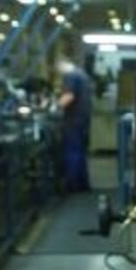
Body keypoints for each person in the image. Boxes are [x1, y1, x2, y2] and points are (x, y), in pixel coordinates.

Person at [55, 52, 94, 193]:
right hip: (83, 120)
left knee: (72, 152)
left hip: (73, 121)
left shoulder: (71, 76)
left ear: (61, 64)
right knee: (80, 152)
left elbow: (68, 96)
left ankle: (71, 185)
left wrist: (54, 107)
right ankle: (83, 184)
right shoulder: (82, 75)